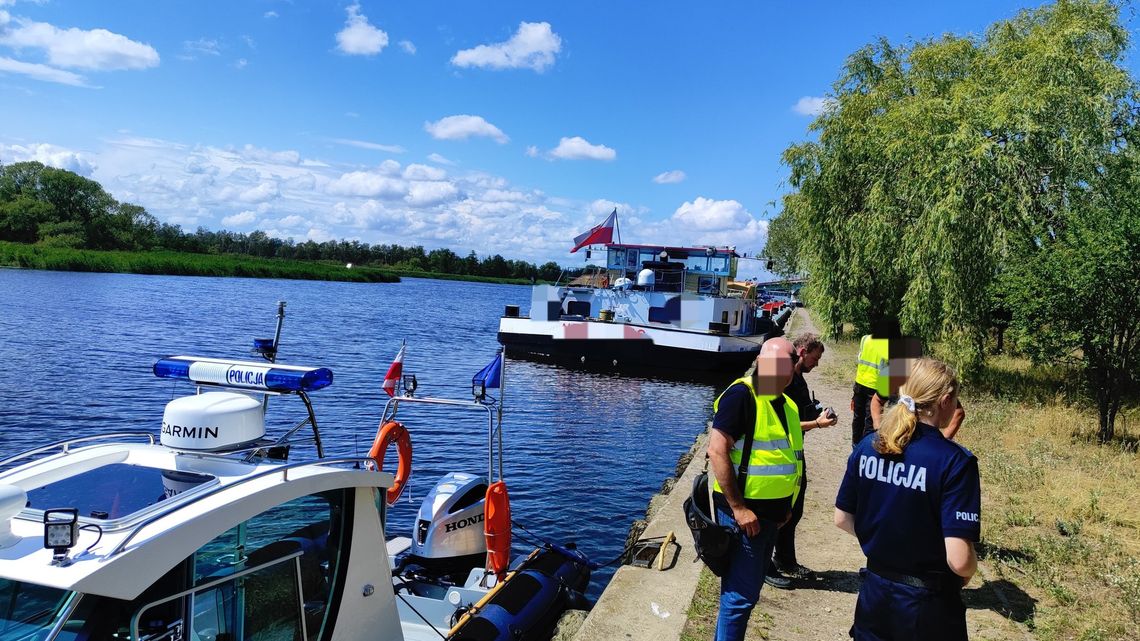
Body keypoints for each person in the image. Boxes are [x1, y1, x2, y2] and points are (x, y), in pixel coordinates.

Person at [834, 358, 980, 641]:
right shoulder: (954, 462)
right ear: (946, 400)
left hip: (874, 594)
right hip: (926, 606)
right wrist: (968, 567)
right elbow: (960, 561)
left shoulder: (869, 445)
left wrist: (886, 543)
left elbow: (842, 518)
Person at [707, 337, 804, 641]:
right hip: (745, 517)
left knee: (745, 593)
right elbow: (717, 450)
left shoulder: (787, 404)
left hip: (772, 516)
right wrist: (738, 508)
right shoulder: (742, 396)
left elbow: (788, 459)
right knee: (739, 598)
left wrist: (787, 507)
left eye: (787, 364)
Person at [765, 333, 838, 589]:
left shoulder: (798, 380)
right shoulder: (784, 381)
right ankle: (767, 565)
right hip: (777, 456)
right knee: (776, 511)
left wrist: (818, 411)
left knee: (793, 511)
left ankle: (785, 559)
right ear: (803, 351)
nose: (816, 364)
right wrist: (817, 424)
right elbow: (781, 423)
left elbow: (798, 411)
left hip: (794, 454)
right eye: (815, 359)